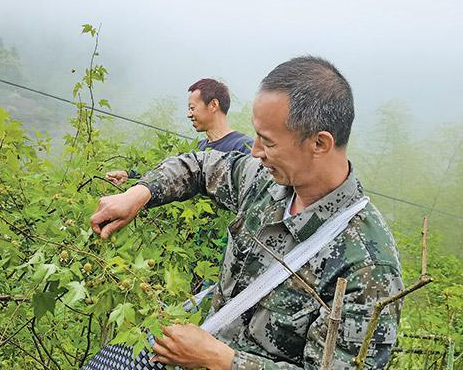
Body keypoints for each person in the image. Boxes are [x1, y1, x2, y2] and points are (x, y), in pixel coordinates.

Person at [91, 56, 403, 369]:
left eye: (268, 141)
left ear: (319, 144)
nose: (254, 151)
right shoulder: (264, 182)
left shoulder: (367, 267)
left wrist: (219, 359)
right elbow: (201, 166)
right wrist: (139, 193)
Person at [105, 78, 252, 185]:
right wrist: (128, 175)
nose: (189, 114)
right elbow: (169, 172)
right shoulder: (196, 149)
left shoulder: (244, 147)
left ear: (213, 105)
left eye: (192, 108)